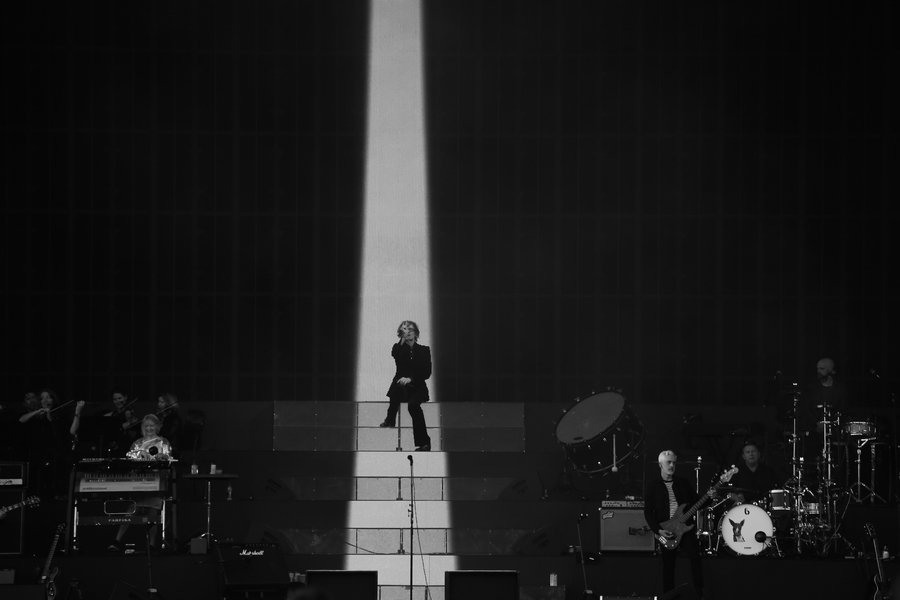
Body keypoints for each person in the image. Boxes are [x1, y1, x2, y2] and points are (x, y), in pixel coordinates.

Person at [644, 450, 706, 600]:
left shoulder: (683, 483)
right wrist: (658, 530)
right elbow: (648, 513)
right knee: (668, 566)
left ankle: (699, 593)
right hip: (666, 530)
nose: (671, 465)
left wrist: (710, 497)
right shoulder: (653, 486)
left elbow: (699, 502)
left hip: (685, 528)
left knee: (694, 556)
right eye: (668, 462)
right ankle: (669, 596)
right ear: (660, 465)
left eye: (673, 462)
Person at [108, 414, 173, 553]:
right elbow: (128, 456)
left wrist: (163, 457)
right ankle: (117, 541)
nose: (149, 428)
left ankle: (151, 545)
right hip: (139, 481)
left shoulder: (164, 442)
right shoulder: (138, 443)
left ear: (157, 426)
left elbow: (169, 458)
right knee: (131, 510)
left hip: (157, 481)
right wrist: (139, 454)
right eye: (146, 426)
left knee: (153, 513)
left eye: (152, 425)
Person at [380, 320, 432, 451]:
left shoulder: (424, 350)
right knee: (397, 388)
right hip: (401, 388)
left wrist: (410, 379)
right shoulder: (398, 348)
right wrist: (402, 338)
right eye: (405, 330)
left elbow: (427, 372)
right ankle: (390, 419)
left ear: (416, 333)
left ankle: (424, 442)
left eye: (411, 330)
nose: (408, 332)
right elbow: (395, 354)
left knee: (413, 406)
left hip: (417, 387)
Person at [727, 441, 781, 506]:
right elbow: (728, 492)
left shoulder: (768, 471)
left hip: (764, 507)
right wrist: (736, 497)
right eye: (748, 452)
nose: (751, 454)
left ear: (759, 454)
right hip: (743, 507)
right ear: (743, 456)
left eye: (753, 451)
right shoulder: (736, 471)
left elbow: (775, 490)